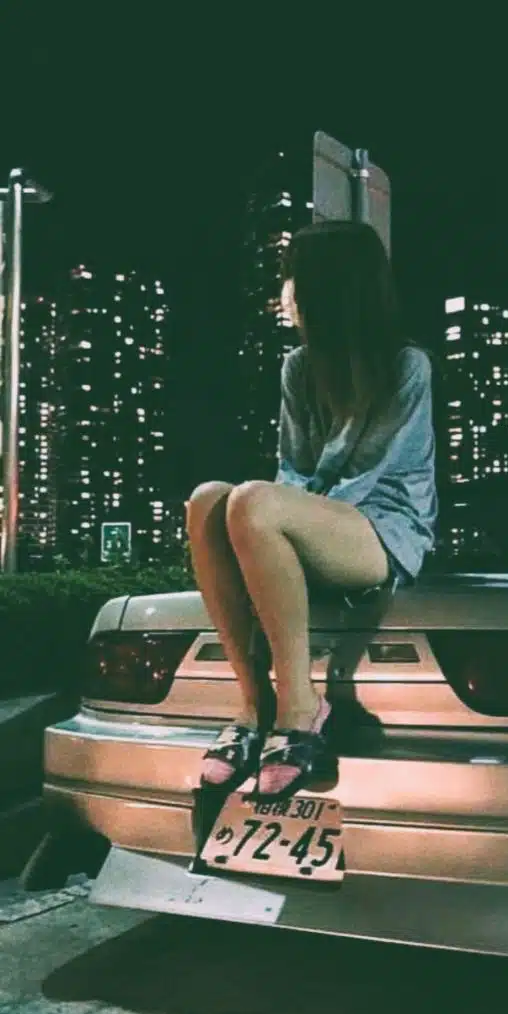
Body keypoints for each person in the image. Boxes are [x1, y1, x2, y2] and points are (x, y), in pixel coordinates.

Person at [185, 220, 437, 800]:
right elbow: (293, 465)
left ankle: (300, 706)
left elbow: (371, 471)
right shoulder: (298, 367)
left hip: (385, 527)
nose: (285, 292)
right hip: (317, 517)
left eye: (292, 277)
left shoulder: (407, 366)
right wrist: (274, 519)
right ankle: (253, 703)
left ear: (329, 287)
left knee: (252, 500)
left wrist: (286, 519)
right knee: (207, 500)